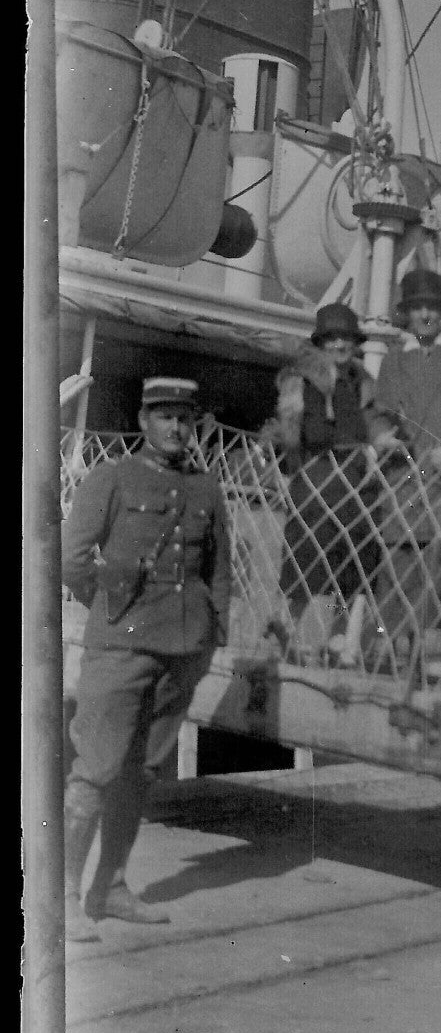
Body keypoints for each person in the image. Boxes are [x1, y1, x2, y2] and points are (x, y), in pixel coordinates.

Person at [61, 377, 231, 941]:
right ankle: (58, 898)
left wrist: (210, 639)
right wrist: (110, 611)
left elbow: (218, 572)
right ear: (143, 421)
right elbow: (72, 557)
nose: (176, 427)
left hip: (182, 651)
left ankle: (109, 887)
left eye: (184, 418)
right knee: (94, 771)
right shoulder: (113, 478)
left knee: (140, 775)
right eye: (164, 417)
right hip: (122, 649)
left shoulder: (207, 489)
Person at [367, 267, 441, 675]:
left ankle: (433, 656)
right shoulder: (396, 360)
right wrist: (381, 436)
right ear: (407, 315)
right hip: (402, 478)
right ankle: (394, 648)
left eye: (433, 307)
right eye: (417, 309)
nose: (425, 316)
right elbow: (379, 414)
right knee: (397, 561)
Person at [262, 302, 377, 665]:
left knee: (356, 562)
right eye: (332, 338)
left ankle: (344, 641)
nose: (340, 344)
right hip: (317, 474)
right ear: (321, 343)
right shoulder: (305, 379)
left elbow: (373, 424)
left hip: (355, 480)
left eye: (346, 338)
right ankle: (286, 629)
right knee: (306, 557)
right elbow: (298, 431)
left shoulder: (362, 382)